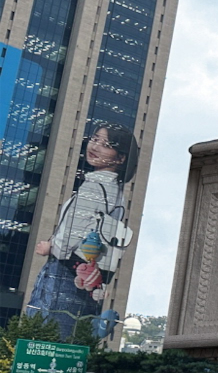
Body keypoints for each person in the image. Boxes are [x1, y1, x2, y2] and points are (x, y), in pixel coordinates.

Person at [26, 123, 139, 339]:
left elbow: (71, 238)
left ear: (120, 158)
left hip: (64, 275)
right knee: (70, 335)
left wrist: (49, 247)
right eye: (95, 139)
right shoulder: (117, 194)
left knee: (45, 336)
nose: (95, 146)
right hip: (87, 278)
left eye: (106, 144)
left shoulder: (94, 188)